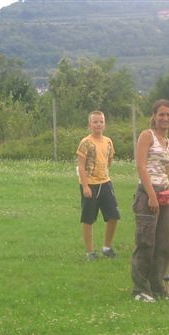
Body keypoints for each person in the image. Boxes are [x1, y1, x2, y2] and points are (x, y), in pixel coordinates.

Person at [131, 99, 169, 302]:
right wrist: (151, 196)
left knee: (164, 245)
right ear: (154, 116)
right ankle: (140, 290)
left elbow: (167, 173)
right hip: (148, 195)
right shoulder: (146, 136)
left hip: (164, 196)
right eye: (161, 114)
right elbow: (141, 167)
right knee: (146, 243)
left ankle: (158, 287)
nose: (165, 118)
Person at [76, 110, 120, 261]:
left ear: (104, 124)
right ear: (89, 125)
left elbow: (109, 160)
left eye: (101, 121)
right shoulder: (85, 143)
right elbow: (81, 166)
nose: (98, 124)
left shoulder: (108, 141)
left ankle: (107, 247)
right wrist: (86, 186)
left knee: (114, 215)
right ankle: (90, 252)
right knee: (88, 219)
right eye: (95, 122)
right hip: (90, 185)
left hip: (105, 183)